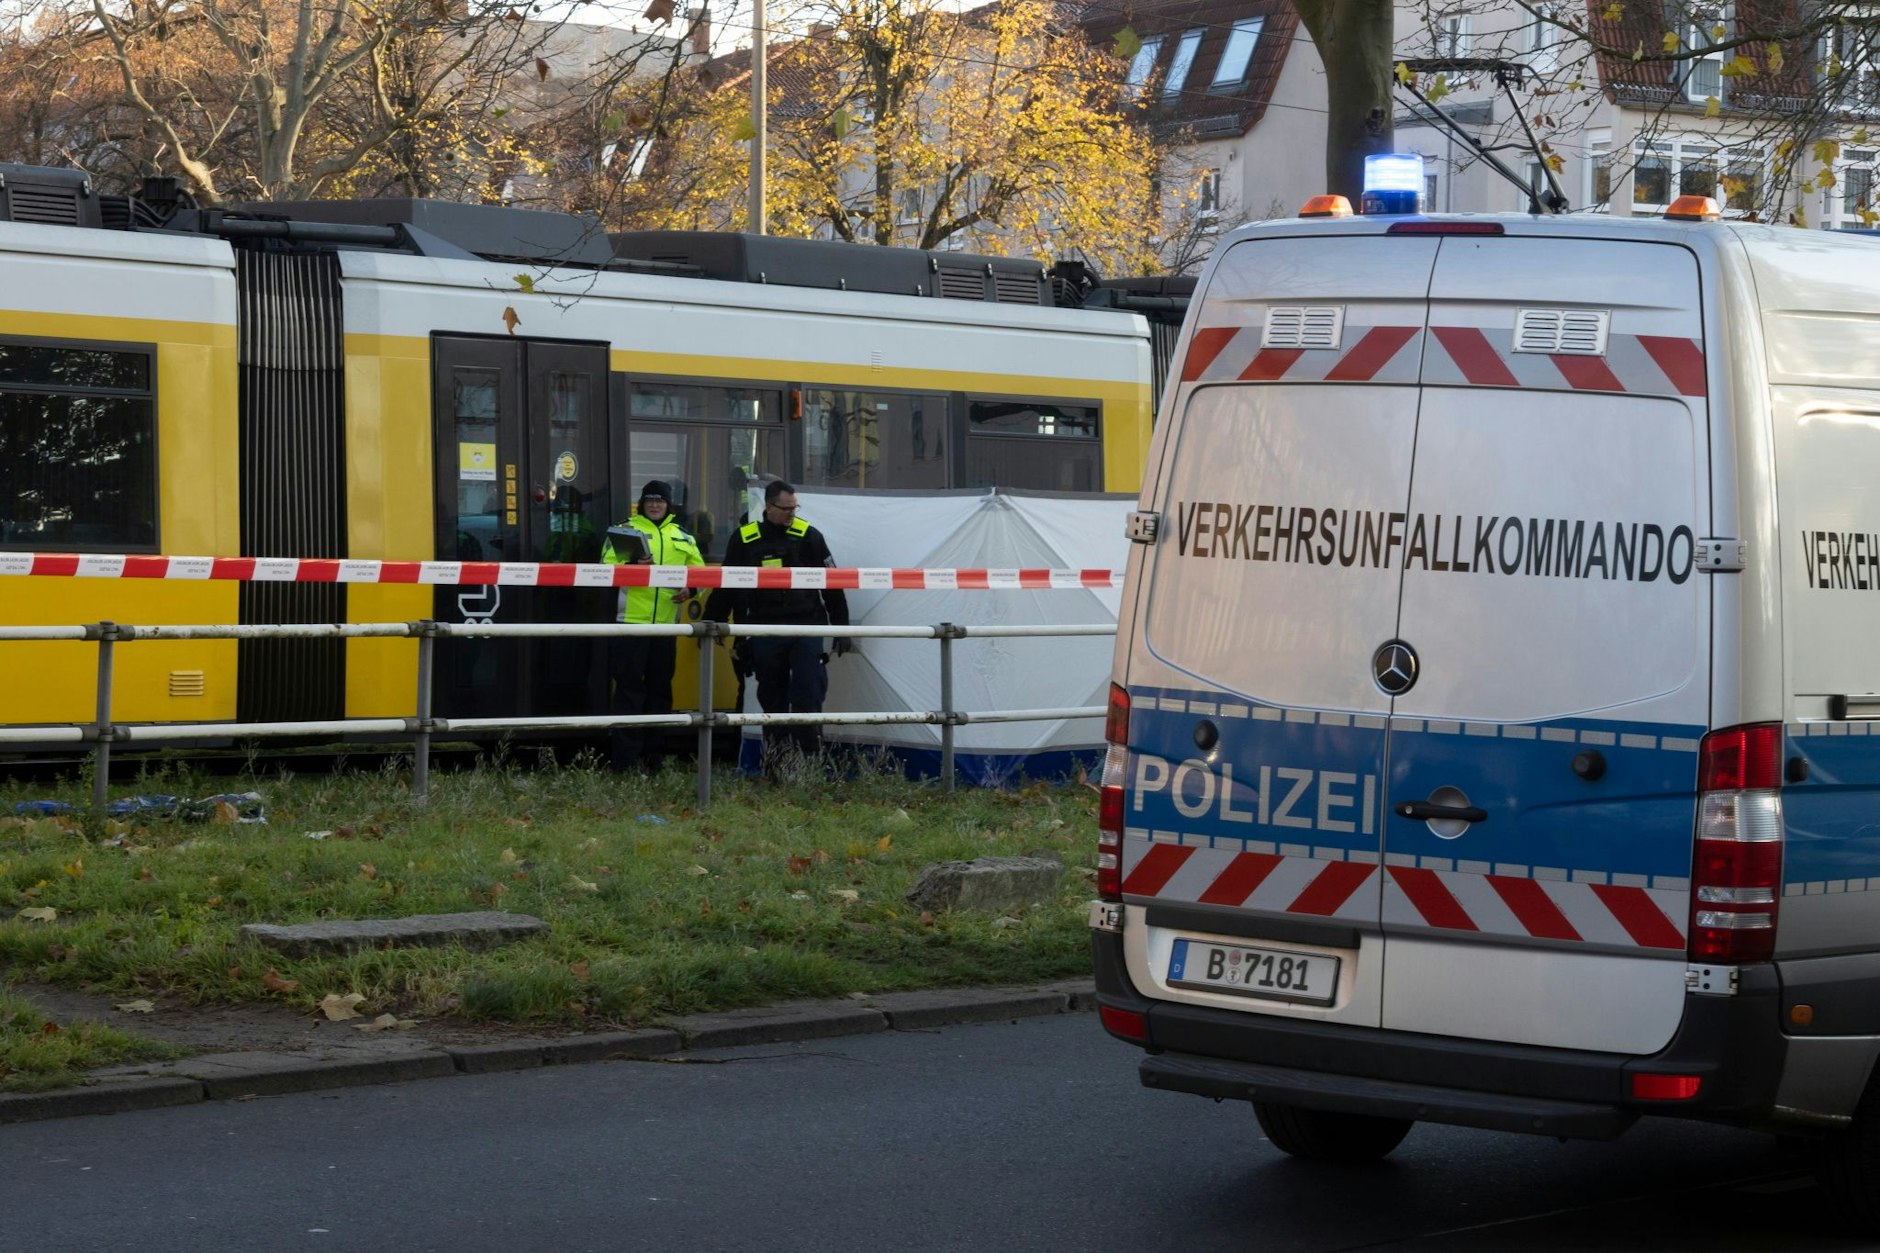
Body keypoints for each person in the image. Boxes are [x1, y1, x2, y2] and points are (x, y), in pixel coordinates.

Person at [702, 479, 850, 773]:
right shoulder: (744, 539)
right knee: (772, 696)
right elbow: (727, 584)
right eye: (785, 509)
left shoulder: (809, 536)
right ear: (768, 507)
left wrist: (841, 628)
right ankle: (777, 766)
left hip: (806, 626)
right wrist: (715, 618)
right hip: (764, 627)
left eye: (794, 509)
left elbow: (833, 584)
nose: (791, 514)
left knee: (808, 693)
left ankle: (810, 766)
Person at [601, 480, 704, 772]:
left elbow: (702, 574)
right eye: (650, 500)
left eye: (660, 500)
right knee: (629, 692)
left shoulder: (682, 535)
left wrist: (692, 589)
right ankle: (626, 761)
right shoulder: (623, 531)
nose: (655, 505)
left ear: (669, 504)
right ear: (642, 503)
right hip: (630, 623)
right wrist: (633, 569)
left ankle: (653, 759)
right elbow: (604, 570)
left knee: (660, 691)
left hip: (666, 627)